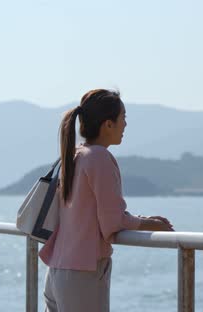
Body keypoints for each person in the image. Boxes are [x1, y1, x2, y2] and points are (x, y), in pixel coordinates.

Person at [39, 89, 174, 312]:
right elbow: (112, 222)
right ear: (108, 124)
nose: (126, 125)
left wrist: (141, 219)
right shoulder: (99, 158)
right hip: (82, 274)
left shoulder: (74, 154)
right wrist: (153, 225)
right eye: (123, 118)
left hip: (58, 270)